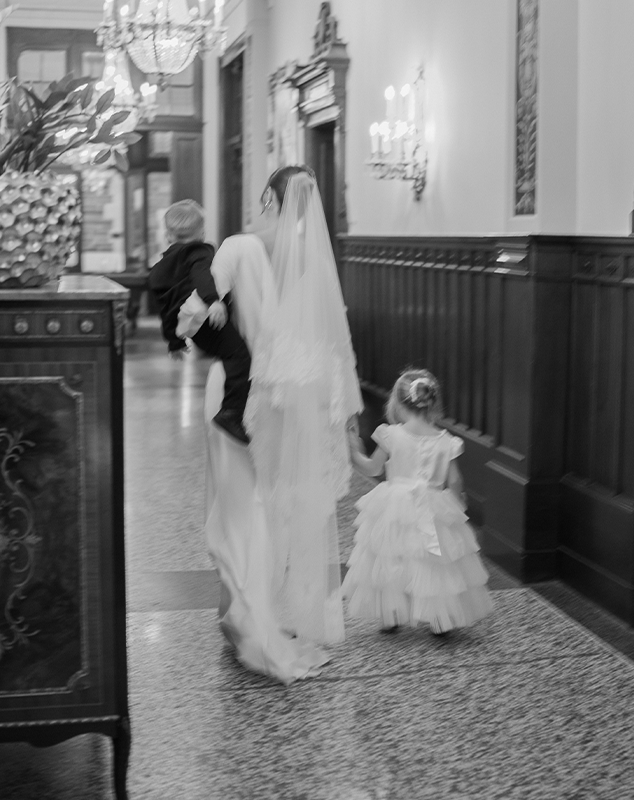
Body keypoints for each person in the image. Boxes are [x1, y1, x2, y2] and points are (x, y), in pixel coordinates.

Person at [176, 165, 362, 681]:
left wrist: (201, 319)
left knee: (237, 508)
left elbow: (191, 316)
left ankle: (247, 621)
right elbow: (323, 337)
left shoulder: (238, 247)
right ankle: (262, 614)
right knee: (270, 504)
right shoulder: (309, 257)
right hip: (287, 395)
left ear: (267, 197)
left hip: (236, 393)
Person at [342, 368, 494, 635]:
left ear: (398, 403)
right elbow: (455, 481)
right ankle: (439, 618)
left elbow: (372, 468)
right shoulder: (447, 441)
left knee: (392, 556)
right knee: (433, 561)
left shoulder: (391, 435)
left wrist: (353, 449)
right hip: (434, 504)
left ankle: (392, 613)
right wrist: (456, 505)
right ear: (432, 402)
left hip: (394, 504)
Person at [148, 199, 252, 444]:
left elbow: (165, 309)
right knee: (239, 355)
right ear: (202, 233)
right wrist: (213, 301)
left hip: (192, 329)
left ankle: (229, 408)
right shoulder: (199, 251)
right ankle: (231, 412)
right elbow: (202, 276)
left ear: (167, 235)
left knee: (226, 353)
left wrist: (174, 342)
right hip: (206, 317)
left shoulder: (159, 268)